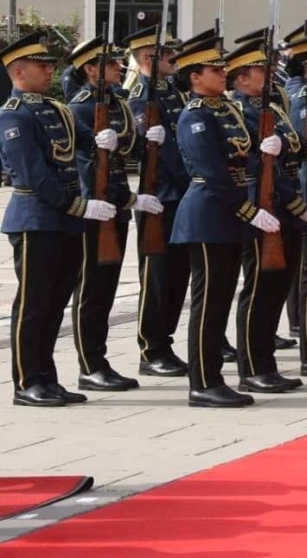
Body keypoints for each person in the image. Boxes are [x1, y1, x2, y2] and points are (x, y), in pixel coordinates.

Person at [2, 32, 118, 407]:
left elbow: (84, 140)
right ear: (19, 71)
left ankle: (47, 377)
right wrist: (78, 206)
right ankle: (26, 381)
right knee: (33, 304)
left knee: (55, 304)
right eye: (41, 65)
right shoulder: (14, 114)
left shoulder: (57, 109)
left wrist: (103, 139)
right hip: (36, 218)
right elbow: (34, 175)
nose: (49, 70)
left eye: (50, 65)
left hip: (64, 221)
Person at [169, 35, 276, 408]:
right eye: (215, 70)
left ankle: (213, 377)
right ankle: (203, 382)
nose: (222, 73)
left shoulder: (226, 109)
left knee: (221, 300)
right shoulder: (196, 115)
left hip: (227, 215)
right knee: (209, 303)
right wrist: (247, 210)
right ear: (195, 77)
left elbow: (240, 157)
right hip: (207, 214)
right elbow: (212, 171)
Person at [226, 37, 307, 393]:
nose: (269, 73)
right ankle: (251, 368)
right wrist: (296, 203)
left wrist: (306, 149)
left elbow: (288, 155)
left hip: (285, 206)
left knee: (277, 287)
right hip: (263, 207)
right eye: (260, 70)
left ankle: (266, 363)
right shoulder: (239, 112)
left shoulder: (273, 106)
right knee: (259, 289)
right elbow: (253, 165)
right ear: (242, 79)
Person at [67, 37, 165, 393]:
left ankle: (100, 359)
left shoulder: (119, 103)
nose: (118, 68)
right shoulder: (80, 108)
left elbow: (128, 152)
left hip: (117, 206)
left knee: (106, 289)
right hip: (94, 209)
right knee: (91, 290)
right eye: (109, 64)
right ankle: (89, 365)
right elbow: (85, 165)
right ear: (90, 70)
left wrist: (149, 139)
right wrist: (109, 200)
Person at [126, 25, 194, 377]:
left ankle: (164, 341)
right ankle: (151, 348)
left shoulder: (172, 92)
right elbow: (158, 152)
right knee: (157, 276)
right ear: (148, 57)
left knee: (178, 274)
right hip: (161, 196)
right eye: (167, 54)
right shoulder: (141, 94)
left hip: (180, 193)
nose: (174, 59)